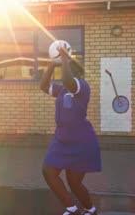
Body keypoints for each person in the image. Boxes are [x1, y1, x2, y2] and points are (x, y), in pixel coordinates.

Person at [39, 44, 101, 215]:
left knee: (74, 183)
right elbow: (44, 86)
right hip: (61, 139)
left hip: (81, 141)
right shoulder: (62, 90)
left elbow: (68, 80)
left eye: (71, 70)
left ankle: (90, 209)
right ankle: (71, 208)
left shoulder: (83, 88)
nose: (67, 72)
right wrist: (52, 64)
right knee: (48, 171)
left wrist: (64, 59)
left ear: (78, 73)